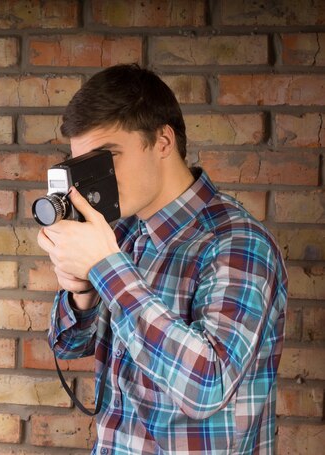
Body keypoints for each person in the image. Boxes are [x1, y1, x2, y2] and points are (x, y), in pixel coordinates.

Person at [37, 64, 287, 454]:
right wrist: (82, 288)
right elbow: (67, 345)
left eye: (108, 157)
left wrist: (108, 269)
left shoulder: (238, 243)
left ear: (163, 141)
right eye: (84, 166)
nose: (95, 179)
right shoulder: (121, 233)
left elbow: (208, 386)